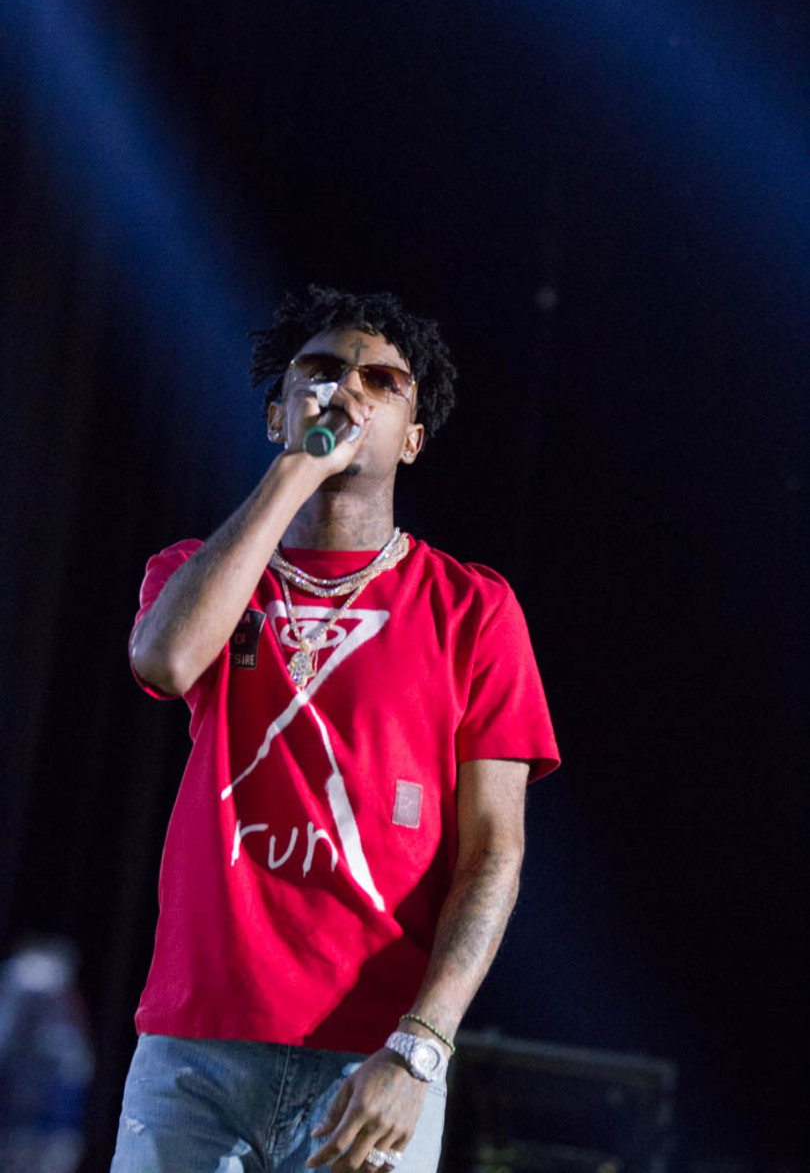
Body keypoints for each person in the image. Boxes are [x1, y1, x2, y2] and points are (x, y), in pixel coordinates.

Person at [110, 285, 560, 1173]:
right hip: (195, 1048)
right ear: (278, 411)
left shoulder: (474, 608)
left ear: (413, 437)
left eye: (382, 380)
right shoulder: (198, 572)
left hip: (372, 1061)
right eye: (319, 372)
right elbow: (165, 661)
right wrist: (298, 469)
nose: (348, 389)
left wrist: (421, 1047)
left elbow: (493, 852)